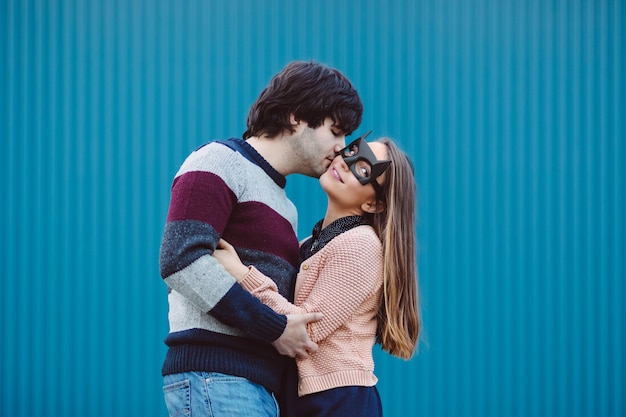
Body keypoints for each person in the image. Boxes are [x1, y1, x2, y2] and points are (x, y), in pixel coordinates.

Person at [159, 60, 363, 417]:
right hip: (216, 376)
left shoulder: (286, 208)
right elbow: (181, 261)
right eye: (336, 130)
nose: (342, 147)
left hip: (256, 386)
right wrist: (273, 329)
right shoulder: (217, 161)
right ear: (297, 116)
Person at [214, 133, 421, 417]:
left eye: (364, 169)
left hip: (338, 401)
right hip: (308, 398)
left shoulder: (360, 244)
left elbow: (305, 330)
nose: (347, 163)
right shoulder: (311, 245)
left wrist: (241, 274)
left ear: (374, 205)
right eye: (351, 151)